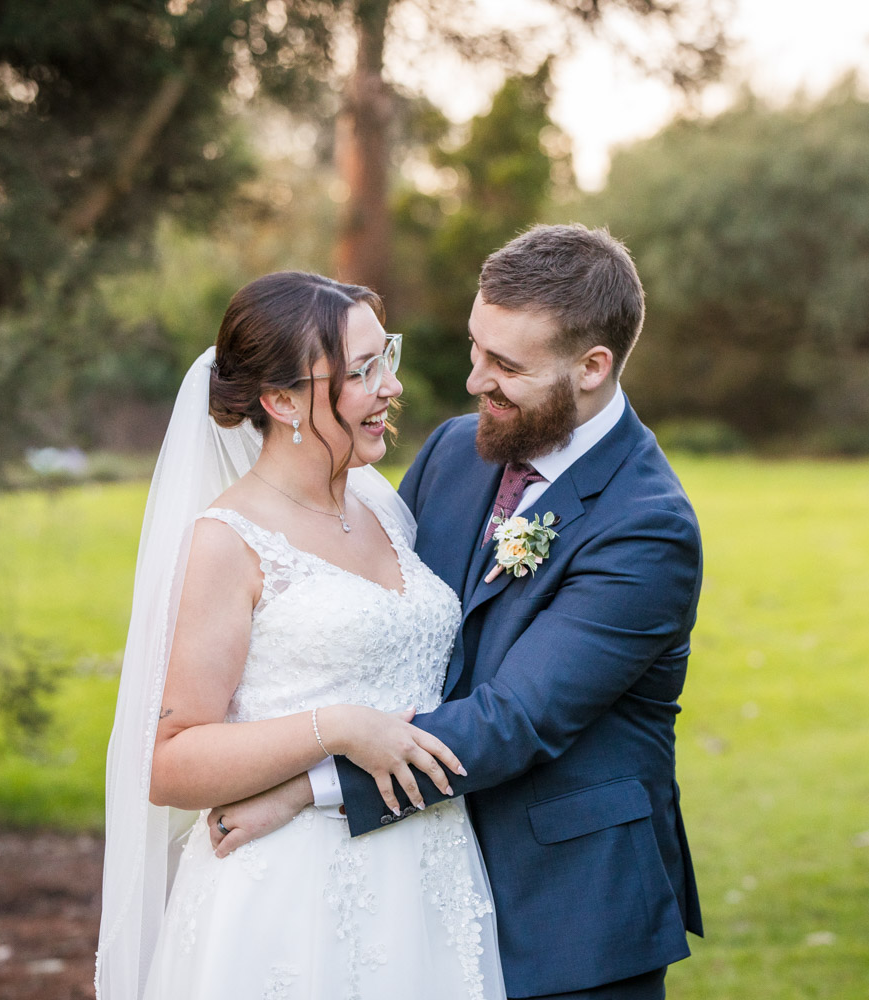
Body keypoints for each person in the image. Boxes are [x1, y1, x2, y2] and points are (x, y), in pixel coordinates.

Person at [211, 225, 704, 1000]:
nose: (475, 380)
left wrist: (308, 784)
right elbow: (387, 617)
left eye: (506, 365)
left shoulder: (647, 526)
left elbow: (518, 717)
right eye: (476, 348)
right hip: (413, 887)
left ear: (592, 367)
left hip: (569, 913)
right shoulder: (452, 451)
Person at [95, 271, 508, 1000]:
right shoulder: (227, 542)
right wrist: (335, 728)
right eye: (359, 372)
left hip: (428, 876)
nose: (390, 388)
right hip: (290, 896)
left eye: (388, 359)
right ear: (281, 400)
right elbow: (167, 759)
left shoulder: (384, 509)